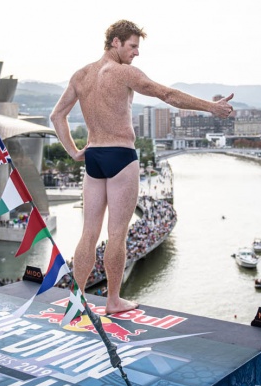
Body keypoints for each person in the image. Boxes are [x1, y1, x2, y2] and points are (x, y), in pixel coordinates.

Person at [51, 20, 234, 314]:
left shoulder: (81, 75)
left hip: (94, 156)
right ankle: (112, 301)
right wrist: (212, 107)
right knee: (118, 234)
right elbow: (167, 95)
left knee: (88, 233)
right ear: (115, 43)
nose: (136, 53)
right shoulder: (124, 72)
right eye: (133, 46)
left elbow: (57, 116)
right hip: (121, 155)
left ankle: (79, 299)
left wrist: (73, 152)